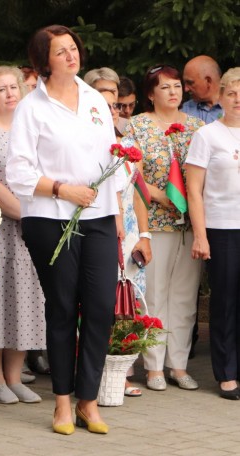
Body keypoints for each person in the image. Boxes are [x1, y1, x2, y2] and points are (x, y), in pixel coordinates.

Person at [7, 25, 121, 435]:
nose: (71, 56)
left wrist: (120, 205)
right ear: (44, 60)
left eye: (74, 48)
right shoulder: (31, 107)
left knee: (101, 308)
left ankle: (88, 401)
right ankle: (61, 404)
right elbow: (18, 171)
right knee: (62, 307)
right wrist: (61, 189)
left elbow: (112, 155)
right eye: (61, 51)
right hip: (50, 217)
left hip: (100, 216)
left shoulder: (94, 99)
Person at [122, 64, 204, 392]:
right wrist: (161, 197)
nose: (173, 92)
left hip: (189, 225)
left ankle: (179, 364)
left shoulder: (197, 127)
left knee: (184, 297)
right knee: (153, 295)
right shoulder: (138, 125)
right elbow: (132, 172)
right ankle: (153, 365)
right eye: (165, 87)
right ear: (150, 94)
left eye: (177, 86)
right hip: (154, 222)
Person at [0, 66, 45, 405]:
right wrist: (23, 210)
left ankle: (16, 376)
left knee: (28, 301)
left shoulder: (33, 131)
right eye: (1, 89)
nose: (10, 93)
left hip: (32, 229)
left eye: (14, 87)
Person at [85, 68, 152, 398]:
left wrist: (145, 235)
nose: (111, 110)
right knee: (96, 303)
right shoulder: (82, 142)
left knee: (128, 303)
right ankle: (88, 370)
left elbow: (137, 193)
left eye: (114, 105)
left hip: (128, 234)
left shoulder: (128, 144)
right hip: (95, 230)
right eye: (103, 102)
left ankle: (119, 371)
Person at [186, 67, 240, 400]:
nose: (238, 100)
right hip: (222, 229)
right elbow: (194, 190)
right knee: (225, 302)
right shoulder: (207, 136)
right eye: (232, 94)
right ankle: (227, 373)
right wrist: (200, 235)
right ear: (220, 97)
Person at [182, 55, 223, 124]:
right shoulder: (185, 110)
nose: (186, 89)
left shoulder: (235, 107)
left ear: (208, 81)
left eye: (190, 83)